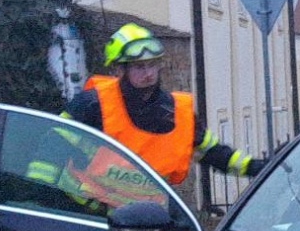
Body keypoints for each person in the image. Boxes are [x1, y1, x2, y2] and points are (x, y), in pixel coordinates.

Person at [60, 24, 266, 195]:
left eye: (152, 65)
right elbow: (53, 146)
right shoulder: (91, 105)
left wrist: (258, 168)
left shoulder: (176, 112)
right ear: (120, 69)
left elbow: (212, 152)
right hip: (93, 219)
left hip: (151, 221)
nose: (148, 73)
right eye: (139, 67)